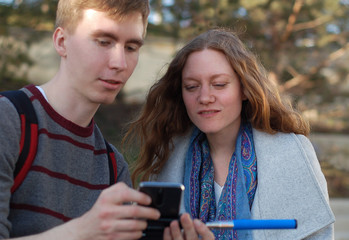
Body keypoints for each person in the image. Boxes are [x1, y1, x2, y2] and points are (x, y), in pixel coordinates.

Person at [124, 28, 336, 239]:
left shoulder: (292, 153)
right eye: (191, 86)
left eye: (219, 84)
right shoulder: (166, 159)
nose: (205, 97)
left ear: (244, 89)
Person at [0, 0, 163, 239]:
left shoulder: (112, 167)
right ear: (61, 42)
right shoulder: (9, 120)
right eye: (104, 42)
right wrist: (83, 231)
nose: (119, 63)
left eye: (131, 47)